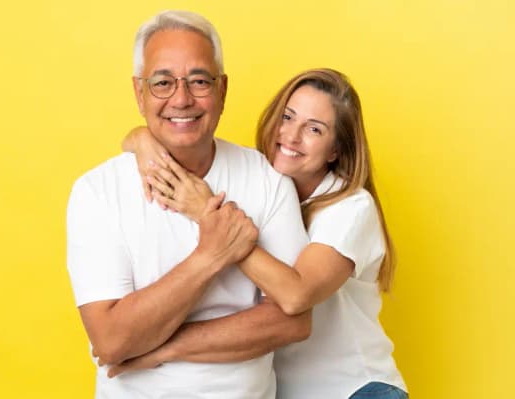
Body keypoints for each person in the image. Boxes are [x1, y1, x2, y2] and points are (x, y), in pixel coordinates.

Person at [117, 68, 409, 399]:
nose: (292, 136)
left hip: (355, 391)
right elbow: (154, 138)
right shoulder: (261, 185)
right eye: (287, 117)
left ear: (335, 150)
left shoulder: (350, 208)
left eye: (314, 129)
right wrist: (140, 138)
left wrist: (208, 217)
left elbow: (295, 295)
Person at [66, 10, 311, 399]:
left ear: (223, 90)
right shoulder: (96, 192)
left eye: (199, 81)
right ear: (139, 93)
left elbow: (294, 320)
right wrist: (211, 255)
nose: (181, 99)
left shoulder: (267, 180)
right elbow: (112, 342)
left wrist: (161, 347)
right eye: (162, 82)